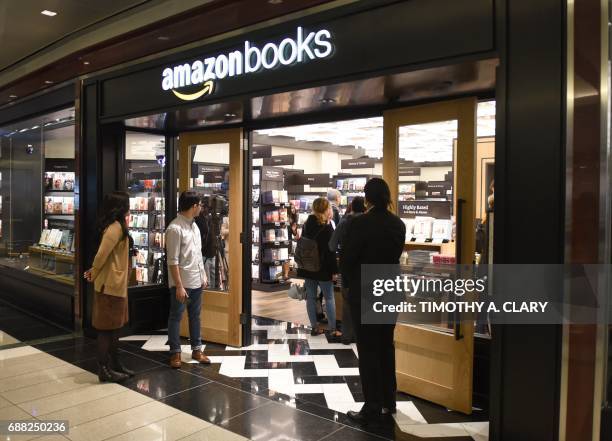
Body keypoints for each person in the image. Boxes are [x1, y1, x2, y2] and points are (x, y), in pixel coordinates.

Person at [342, 178, 406, 424]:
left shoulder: (361, 223)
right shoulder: (398, 224)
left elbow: (348, 258)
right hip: (390, 288)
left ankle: (371, 405)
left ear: (367, 198)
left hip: (366, 290)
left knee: (368, 349)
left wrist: (348, 284)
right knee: (385, 345)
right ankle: (389, 401)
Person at [84, 191, 134, 383]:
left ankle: (115, 364)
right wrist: (93, 272)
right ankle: (104, 369)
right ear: (120, 207)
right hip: (109, 286)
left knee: (114, 328)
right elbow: (101, 255)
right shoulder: (114, 228)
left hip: (115, 285)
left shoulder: (118, 226)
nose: (129, 207)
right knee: (106, 329)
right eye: (127, 204)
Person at [165, 191, 210, 369]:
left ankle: (196, 349)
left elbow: (197, 255)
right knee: (176, 317)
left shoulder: (194, 226)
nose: (201, 208)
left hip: (196, 280)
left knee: (195, 316)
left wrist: (204, 275)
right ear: (193, 206)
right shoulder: (175, 228)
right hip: (182, 283)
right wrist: (178, 286)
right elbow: (172, 260)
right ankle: (175, 352)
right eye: (199, 205)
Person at [297, 197, 341, 337]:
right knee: (329, 297)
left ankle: (314, 327)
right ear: (326, 209)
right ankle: (333, 329)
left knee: (310, 297)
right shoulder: (327, 228)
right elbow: (330, 252)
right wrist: (334, 271)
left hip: (308, 266)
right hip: (323, 268)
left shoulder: (306, 225)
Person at [328, 196, 366, 345]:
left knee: (347, 301)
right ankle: (360, 336)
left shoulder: (344, 222)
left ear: (351, 207)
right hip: (367, 268)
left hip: (347, 268)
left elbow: (331, 245)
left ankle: (346, 336)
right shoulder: (369, 222)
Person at [194, 198, 218, 289]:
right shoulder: (198, 219)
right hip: (204, 252)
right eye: (204, 206)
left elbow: (215, 231)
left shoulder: (210, 218)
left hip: (212, 251)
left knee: (213, 278)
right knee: (206, 280)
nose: (206, 209)